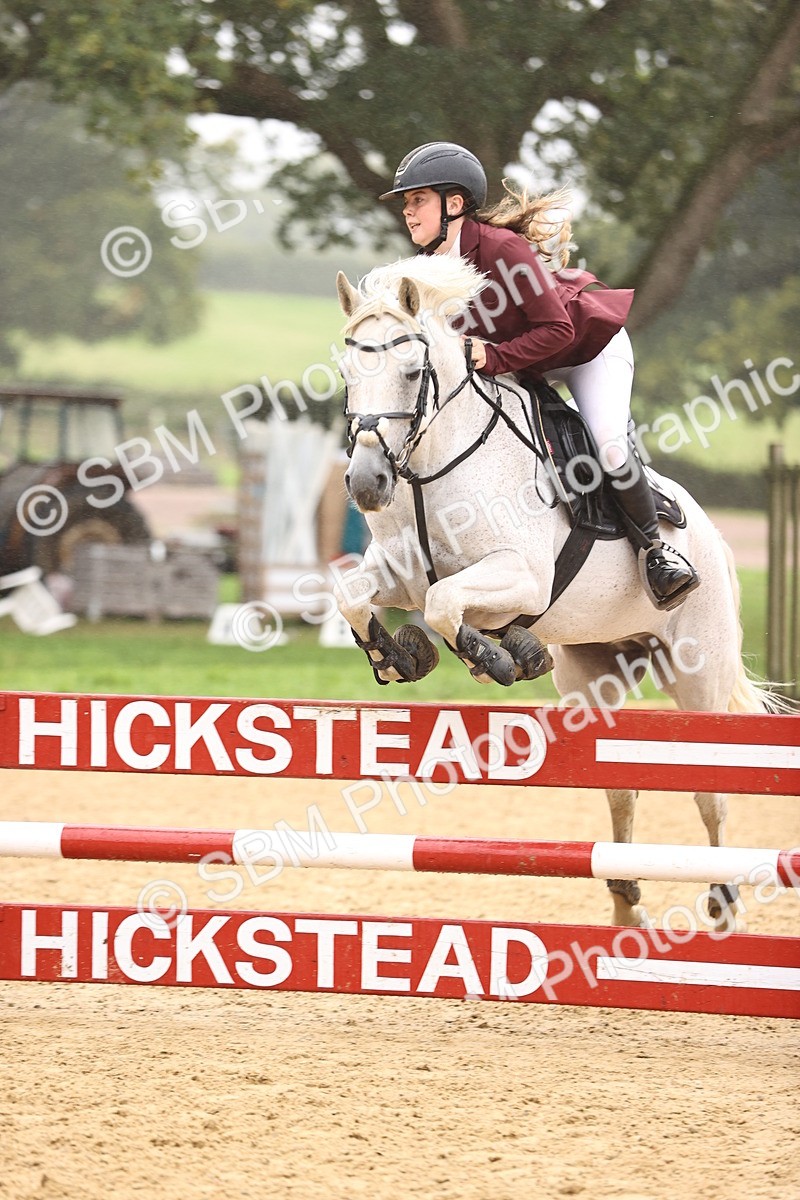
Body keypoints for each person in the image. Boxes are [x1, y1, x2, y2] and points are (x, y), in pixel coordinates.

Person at [379, 141, 699, 611]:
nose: (408, 212)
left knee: (608, 441)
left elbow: (557, 329)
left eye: (417, 200)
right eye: (406, 203)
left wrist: (492, 359)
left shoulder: (501, 249)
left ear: (454, 203)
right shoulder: (426, 271)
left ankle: (657, 551)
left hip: (586, 349)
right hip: (525, 360)